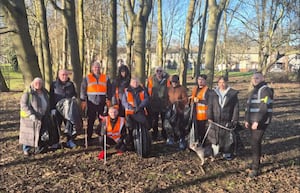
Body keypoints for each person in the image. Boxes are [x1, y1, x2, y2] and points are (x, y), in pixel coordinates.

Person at [245, 72, 273, 178]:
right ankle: (254, 163)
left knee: (255, 142)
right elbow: (249, 107)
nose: (254, 80)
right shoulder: (253, 90)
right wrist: (247, 120)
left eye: (257, 78)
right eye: (253, 78)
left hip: (260, 122)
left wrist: (257, 121)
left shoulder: (265, 90)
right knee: (253, 143)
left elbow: (264, 106)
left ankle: (255, 168)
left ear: (263, 78)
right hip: (252, 121)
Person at [207, 76, 239, 161]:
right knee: (215, 136)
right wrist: (209, 117)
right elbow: (210, 106)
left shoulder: (232, 94)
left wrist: (234, 119)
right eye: (220, 82)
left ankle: (227, 153)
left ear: (227, 82)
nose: (222, 84)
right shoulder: (213, 93)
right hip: (215, 120)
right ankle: (215, 153)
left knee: (227, 137)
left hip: (227, 120)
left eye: (223, 82)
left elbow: (236, 108)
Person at [80, 61, 112, 145]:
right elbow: (83, 89)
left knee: (102, 121)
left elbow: (109, 89)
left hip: (102, 102)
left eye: (98, 67)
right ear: (92, 68)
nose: (96, 69)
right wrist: (83, 100)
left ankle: (102, 138)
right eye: (95, 67)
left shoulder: (105, 78)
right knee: (90, 121)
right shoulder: (87, 78)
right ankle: (89, 138)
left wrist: (109, 99)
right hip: (91, 102)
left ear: (100, 68)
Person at [19, 77, 52, 156]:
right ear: (33, 83)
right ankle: (26, 149)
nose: (38, 85)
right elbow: (23, 105)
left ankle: (38, 147)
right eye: (36, 83)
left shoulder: (45, 92)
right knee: (28, 134)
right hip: (30, 118)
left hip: (43, 116)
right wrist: (30, 114)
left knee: (39, 133)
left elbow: (48, 102)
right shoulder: (28, 93)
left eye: (40, 83)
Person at [49, 69, 78, 149]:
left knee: (69, 125)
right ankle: (55, 142)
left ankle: (69, 141)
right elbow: (51, 97)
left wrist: (74, 98)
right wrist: (52, 109)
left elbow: (74, 94)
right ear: (59, 75)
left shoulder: (71, 84)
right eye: (62, 75)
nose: (64, 76)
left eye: (66, 75)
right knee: (56, 126)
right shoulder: (54, 84)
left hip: (68, 110)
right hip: (57, 109)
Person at [121, 77, 150, 148]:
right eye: (133, 82)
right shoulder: (126, 91)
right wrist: (131, 108)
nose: (135, 83)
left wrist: (140, 106)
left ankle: (145, 140)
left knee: (144, 124)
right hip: (130, 112)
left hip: (140, 111)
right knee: (130, 127)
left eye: (136, 82)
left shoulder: (142, 90)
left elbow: (146, 99)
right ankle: (131, 140)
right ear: (130, 83)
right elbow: (124, 101)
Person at [164, 75, 189, 150]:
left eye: (175, 82)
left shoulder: (182, 89)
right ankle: (170, 138)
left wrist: (179, 102)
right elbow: (166, 98)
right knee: (168, 124)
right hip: (170, 109)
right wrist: (166, 105)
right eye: (172, 82)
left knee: (179, 126)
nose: (174, 83)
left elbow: (185, 100)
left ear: (178, 82)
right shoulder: (168, 89)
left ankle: (182, 140)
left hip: (179, 110)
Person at [146, 66, 170, 140]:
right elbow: (148, 91)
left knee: (164, 120)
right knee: (154, 120)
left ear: (163, 72)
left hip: (164, 103)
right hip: (154, 103)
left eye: (160, 71)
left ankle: (164, 134)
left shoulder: (167, 80)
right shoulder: (151, 79)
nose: (159, 73)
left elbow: (170, 89)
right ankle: (155, 135)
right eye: (157, 71)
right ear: (155, 72)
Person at [190, 74, 210, 144]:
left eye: (202, 80)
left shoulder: (207, 90)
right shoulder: (195, 88)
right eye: (199, 79)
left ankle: (202, 143)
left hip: (203, 115)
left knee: (201, 130)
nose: (200, 81)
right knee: (194, 130)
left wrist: (199, 101)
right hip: (194, 113)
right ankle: (195, 142)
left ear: (205, 81)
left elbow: (209, 102)